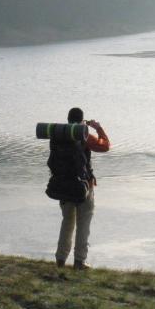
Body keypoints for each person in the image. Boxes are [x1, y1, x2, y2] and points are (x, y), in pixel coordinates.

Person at [53, 107, 110, 269]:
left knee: (67, 221)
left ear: (68, 119)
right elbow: (105, 146)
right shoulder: (83, 135)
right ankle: (79, 261)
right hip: (83, 187)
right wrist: (98, 128)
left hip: (62, 185)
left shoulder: (59, 135)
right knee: (83, 223)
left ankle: (60, 259)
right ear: (81, 120)